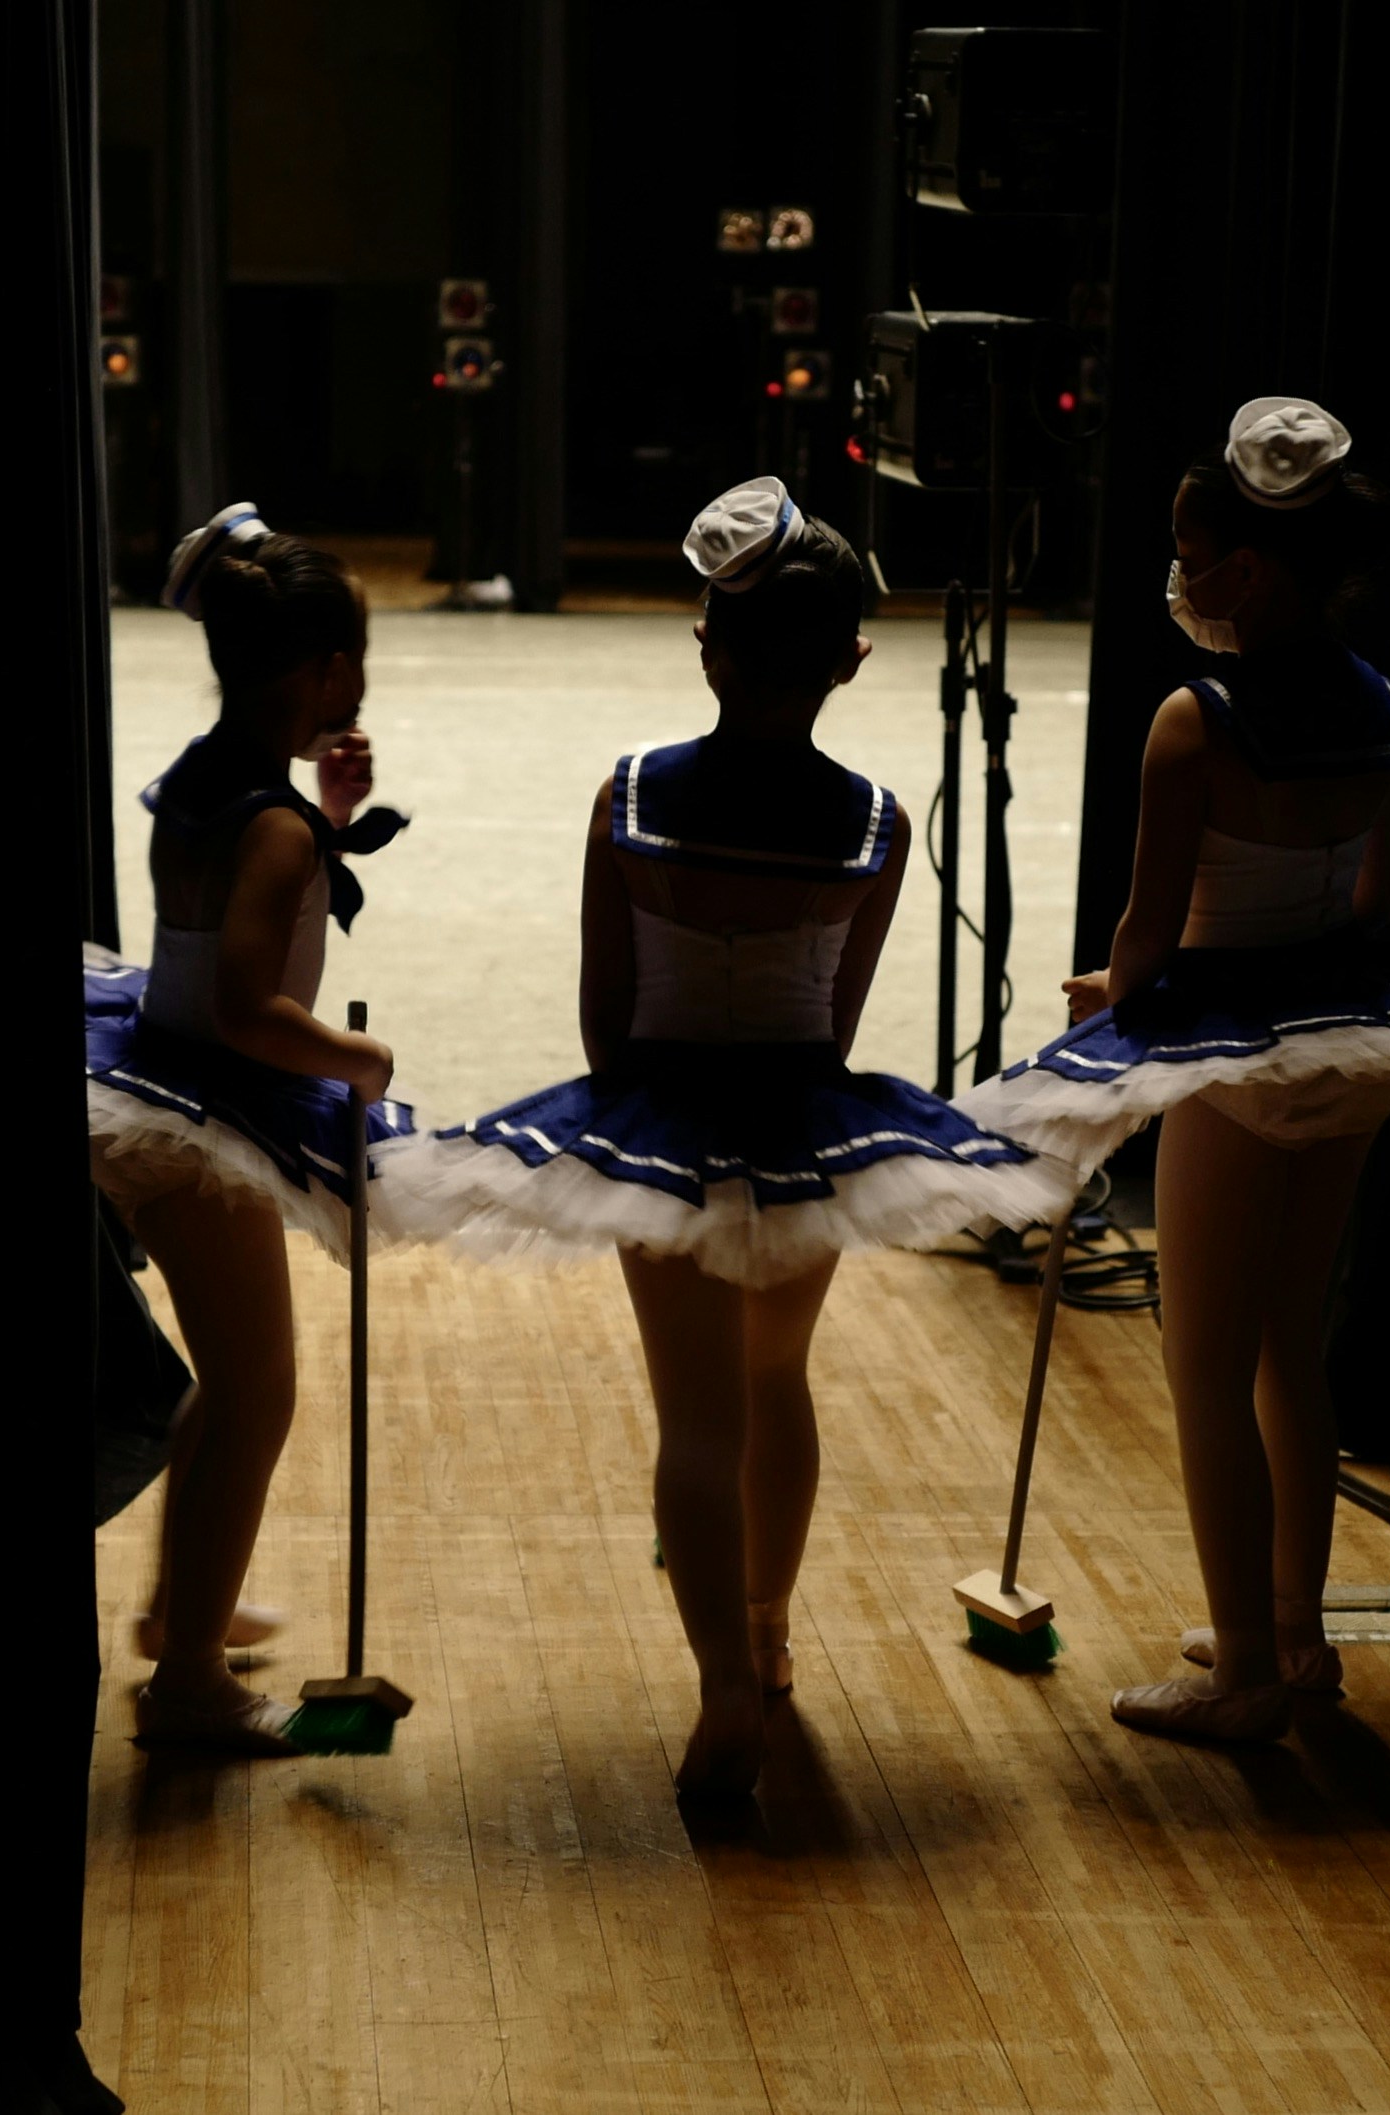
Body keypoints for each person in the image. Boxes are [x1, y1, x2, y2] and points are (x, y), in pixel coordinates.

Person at [384, 480, 1073, 1799]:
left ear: (705, 645)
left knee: (694, 1419)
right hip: (802, 1117)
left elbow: (605, 1016)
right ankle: (765, 1638)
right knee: (779, 1381)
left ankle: (717, 1692)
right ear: (852, 662)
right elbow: (837, 1012)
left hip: (659, 1117)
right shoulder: (875, 821)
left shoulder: (632, 794)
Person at [956, 399, 1390, 1742]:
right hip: (1349, 1035)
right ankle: (1295, 1633)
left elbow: (1146, 943)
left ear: (1244, 570)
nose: (1179, 576)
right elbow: (1378, 903)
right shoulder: (1378, 705)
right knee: (1288, 1345)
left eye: (1189, 552)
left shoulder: (1192, 723)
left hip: (1228, 1050)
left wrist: (1110, 991)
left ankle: (1241, 1669)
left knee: (1200, 1355)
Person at [85, 503, 412, 1753]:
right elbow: (242, 1006)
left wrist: (327, 816)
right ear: (330, 673)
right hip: (204, 1112)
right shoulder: (273, 828)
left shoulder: (214, 784)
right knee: (257, 1390)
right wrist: (353, 1055)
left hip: (153, 1078)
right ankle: (188, 1696)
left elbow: (230, 916)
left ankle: (182, 1613)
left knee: (234, 1384)